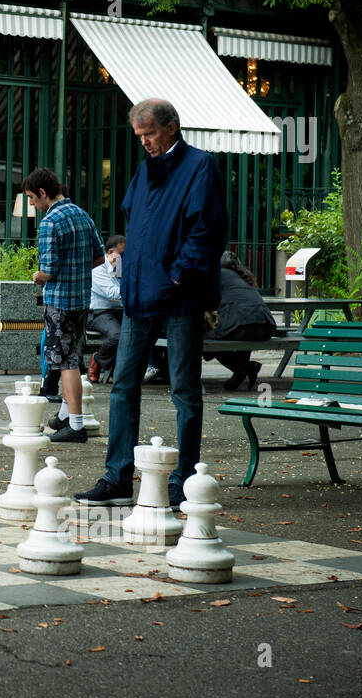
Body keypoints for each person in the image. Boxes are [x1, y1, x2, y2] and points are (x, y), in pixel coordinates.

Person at [76, 98, 228, 509]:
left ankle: (184, 481)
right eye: (139, 136)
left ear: (172, 126)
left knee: (184, 389)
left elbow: (209, 232)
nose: (144, 142)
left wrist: (178, 274)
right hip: (139, 295)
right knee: (123, 385)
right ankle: (117, 477)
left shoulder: (201, 165)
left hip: (181, 296)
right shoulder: (144, 170)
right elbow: (133, 220)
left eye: (151, 134)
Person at [24, 168, 105, 443]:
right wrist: (76, 268)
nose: (31, 204)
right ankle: (63, 416)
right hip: (82, 299)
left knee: (66, 361)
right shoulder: (82, 215)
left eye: (32, 198)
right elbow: (99, 257)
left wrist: (38, 276)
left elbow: (49, 269)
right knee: (72, 356)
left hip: (59, 300)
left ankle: (76, 424)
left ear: (43, 193)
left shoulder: (50, 222)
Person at [206, 250, 276, 390]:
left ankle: (243, 368)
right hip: (267, 326)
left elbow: (207, 304)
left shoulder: (217, 276)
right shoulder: (244, 277)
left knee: (201, 339)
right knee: (237, 331)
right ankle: (242, 370)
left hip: (244, 326)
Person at [88, 234, 125, 383]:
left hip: (120, 311)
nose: (125, 257)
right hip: (99, 313)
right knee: (118, 335)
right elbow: (113, 294)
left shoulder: (120, 267)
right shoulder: (98, 270)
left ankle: (122, 370)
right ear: (110, 252)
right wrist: (135, 288)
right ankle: (97, 359)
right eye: (122, 254)